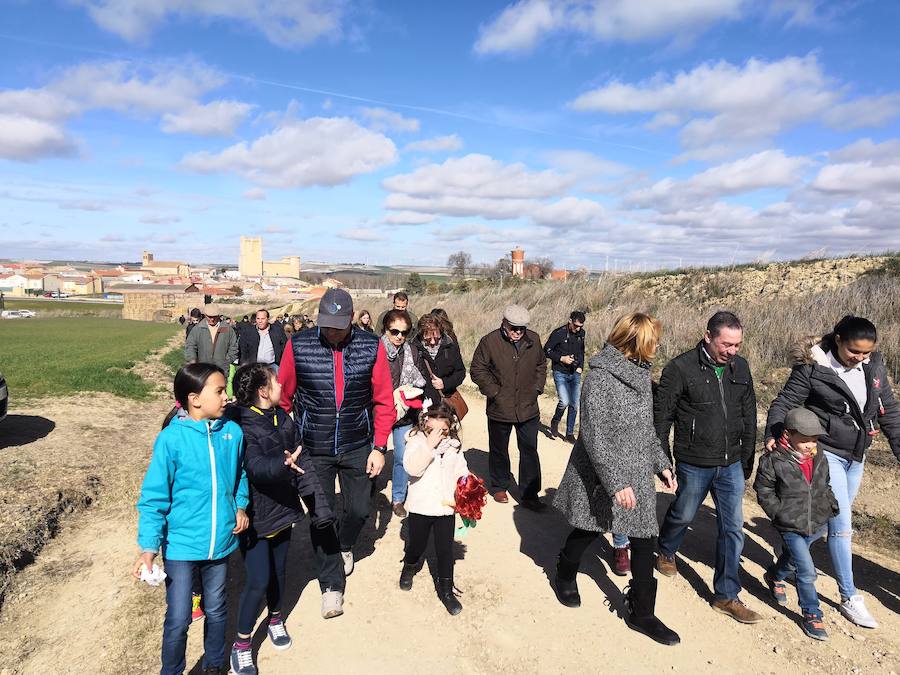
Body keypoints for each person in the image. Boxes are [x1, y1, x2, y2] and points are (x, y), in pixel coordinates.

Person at [764, 316, 900, 629]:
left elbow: (890, 413)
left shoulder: (874, 369)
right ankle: (849, 596)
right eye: (854, 351)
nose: (860, 358)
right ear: (838, 339)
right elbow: (784, 402)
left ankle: (779, 571)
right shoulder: (813, 368)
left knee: (822, 525)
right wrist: (773, 432)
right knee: (841, 525)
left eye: (866, 353)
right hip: (826, 454)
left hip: (857, 455)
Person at [553, 312, 680, 645]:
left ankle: (642, 612)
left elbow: (644, 430)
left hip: (637, 471)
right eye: (653, 341)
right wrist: (615, 481)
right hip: (602, 471)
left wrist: (661, 464)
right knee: (589, 529)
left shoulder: (640, 375)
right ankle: (565, 570)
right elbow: (594, 435)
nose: (657, 346)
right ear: (636, 341)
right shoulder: (600, 377)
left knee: (643, 539)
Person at [277, 288, 395, 618]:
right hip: (314, 446)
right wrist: (289, 441)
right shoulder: (299, 346)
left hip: (358, 443)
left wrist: (380, 447)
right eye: (326, 324)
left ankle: (345, 544)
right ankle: (331, 586)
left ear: (351, 320)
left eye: (338, 325)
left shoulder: (371, 346)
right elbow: (283, 399)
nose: (331, 331)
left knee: (358, 510)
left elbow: (384, 400)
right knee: (321, 515)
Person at [133, 364, 249, 675]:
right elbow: (154, 498)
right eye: (220, 391)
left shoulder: (232, 433)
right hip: (182, 546)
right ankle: (171, 670)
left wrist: (239, 506)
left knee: (216, 609)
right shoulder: (171, 440)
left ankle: (213, 665)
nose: (227, 396)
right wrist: (148, 548)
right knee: (179, 617)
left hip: (220, 545)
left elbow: (239, 475)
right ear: (194, 399)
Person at [654, 311, 762, 624]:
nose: (732, 351)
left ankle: (726, 595)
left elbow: (749, 415)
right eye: (726, 344)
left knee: (732, 528)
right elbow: (662, 420)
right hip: (694, 461)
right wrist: (663, 462)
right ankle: (666, 549)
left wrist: (746, 460)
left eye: (737, 345)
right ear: (708, 336)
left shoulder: (740, 367)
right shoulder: (680, 368)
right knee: (684, 513)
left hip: (730, 463)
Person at [227, 363, 333, 675]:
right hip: (256, 516)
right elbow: (256, 467)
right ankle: (242, 644)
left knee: (279, 573)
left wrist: (319, 506)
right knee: (258, 578)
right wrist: (282, 466)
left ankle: (275, 618)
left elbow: (302, 457)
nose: (281, 385)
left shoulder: (282, 417)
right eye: (275, 382)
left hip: (283, 511)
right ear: (263, 391)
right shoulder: (242, 427)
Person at [754, 408, 839, 641]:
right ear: (788, 435)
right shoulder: (773, 460)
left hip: (817, 521)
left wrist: (830, 504)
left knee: (793, 559)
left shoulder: (819, 455)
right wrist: (778, 513)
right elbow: (763, 489)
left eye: (814, 439)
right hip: (789, 524)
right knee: (806, 569)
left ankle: (774, 575)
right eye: (804, 440)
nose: (810, 445)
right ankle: (812, 613)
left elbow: (825, 483)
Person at [470, 304, 547, 511]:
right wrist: (493, 391)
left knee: (529, 450)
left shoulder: (534, 339)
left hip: (528, 406)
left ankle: (530, 494)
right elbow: (477, 369)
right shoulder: (489, 341)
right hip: (500, 407)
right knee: (499, 450)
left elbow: (541, 365)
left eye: (521, 328)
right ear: (504, 323)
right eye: (513, 328)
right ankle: (499, 486)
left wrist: (537, 388)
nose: (517, 332)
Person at [399, 401, 470, 615]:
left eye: (443, 430)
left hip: (445, 506)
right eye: (432, 429)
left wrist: (468, 483)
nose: (438, 434)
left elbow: (460, 469)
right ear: (423, 425)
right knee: (417, 544)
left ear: (450, 428)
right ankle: (409, 565)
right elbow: (412, 469)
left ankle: (446, 591)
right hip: (421, 507)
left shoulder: (454, 446)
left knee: (445, 549)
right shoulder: (416, 442)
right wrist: (428, 446)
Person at [381, 309, 438, 517]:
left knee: (401, 456)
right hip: (377, 411)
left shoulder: (412, 351)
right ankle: (367, 488)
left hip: (404, 413)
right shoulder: (375, 350)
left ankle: (398, 498)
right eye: (394, 331)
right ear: (385, 329)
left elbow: (423, 378)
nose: (399, 337)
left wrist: (412, 393)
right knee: (371, 452)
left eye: (404, 333)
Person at [544, 310, 586, 443]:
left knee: (574, 404)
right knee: (564, 401)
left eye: (581, 326)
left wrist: (580, 366)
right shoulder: (558, 333)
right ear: (570, 321)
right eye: (576, 325)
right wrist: (561, 358)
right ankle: (555, 421)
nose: (578, 328)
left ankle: (569, 433)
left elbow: (581, 351)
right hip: (560, 372)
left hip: (575, 372)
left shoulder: (581, 334)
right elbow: (546, 350)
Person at [413, 313, 466, 401]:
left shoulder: (450, 347)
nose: (433, 342)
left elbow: (460, 372)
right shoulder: (412, 349)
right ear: (421, 335)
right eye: (428, 339)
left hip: (445, 403)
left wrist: (445, 383)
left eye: (437, 338)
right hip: (421, 403)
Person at [184, 304, 239, 373]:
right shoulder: (197, 329)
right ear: (205, 315)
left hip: (221, 370)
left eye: (214, 317)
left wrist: (226, 361)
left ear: (218, 315)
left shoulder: (227, 329)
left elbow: (234, 347)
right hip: (202, 370)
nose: (212, 319)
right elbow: (190, 346)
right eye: (209, 317)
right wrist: (192, 360)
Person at [238, 309, 287, 373]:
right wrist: (243, 364)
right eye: (258, 318)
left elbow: (285, 347)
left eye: (262, 319)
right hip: (254, 367)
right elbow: (243, 349)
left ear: (267, 319)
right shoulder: (248, 331)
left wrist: (282, 363)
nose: (260, 321)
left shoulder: (277, 330)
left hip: (273, 366)